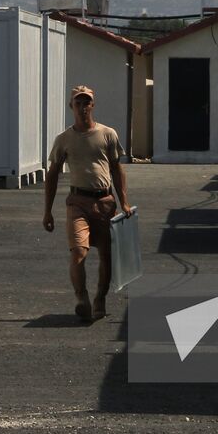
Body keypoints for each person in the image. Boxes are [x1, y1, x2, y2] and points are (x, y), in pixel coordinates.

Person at [43, 84, 134, 322]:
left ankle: (100, 298)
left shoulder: (107, 134)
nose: (83, 107)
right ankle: (81, 297)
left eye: (87, 103)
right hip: (77, 203)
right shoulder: (64, 139)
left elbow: (117, 168)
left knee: (106, 255)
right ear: (71, 106)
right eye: (78, 103)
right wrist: (47, 211)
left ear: (93, 105)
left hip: (104, 203)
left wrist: (124, 202)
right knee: (78, 252)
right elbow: (52, 175)